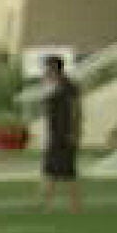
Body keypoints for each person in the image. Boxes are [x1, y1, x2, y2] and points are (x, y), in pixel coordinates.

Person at [38, 54, 82, 213]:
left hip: (65, 133)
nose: (45, 71)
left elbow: (76, 110)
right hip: (53, 133)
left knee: (68, 171)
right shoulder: (49, 86)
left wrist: (75, 132)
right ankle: (47, 205)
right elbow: (45, 107)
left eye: (48, 67)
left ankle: (75, 205)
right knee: (49, 170)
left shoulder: (69, 86)